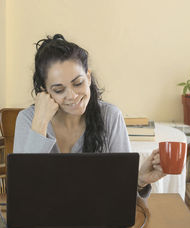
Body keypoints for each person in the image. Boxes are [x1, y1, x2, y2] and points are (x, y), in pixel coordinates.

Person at [13, 34, 165, 197]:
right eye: (59, 90)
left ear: (88, 77)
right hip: (41, 218)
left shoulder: (110, 117)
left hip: (99, 218)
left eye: (78, 83)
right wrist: (40, 122)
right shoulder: (28, 119)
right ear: (45, 91)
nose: (71, 96)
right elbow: (23, 191)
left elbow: (123, 195)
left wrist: (140, 180)